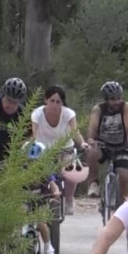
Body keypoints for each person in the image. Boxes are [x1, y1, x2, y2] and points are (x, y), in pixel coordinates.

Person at [31, 86, 87, 214]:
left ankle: (69, 200)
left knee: (71, 170)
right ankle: (40, 198)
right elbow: (34, 133)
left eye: (58, 102)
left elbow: (74, 131)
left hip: (65, 148)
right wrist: (32, 144)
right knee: (39, 171)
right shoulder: (37, 114)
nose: (54, 105)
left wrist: (82, 142)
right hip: (44, 150)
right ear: (46, 100)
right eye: (52, 101)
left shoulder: (68, 114)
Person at [85, 81, 128, 207]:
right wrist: (91, 140)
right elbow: (93, 127)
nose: (116, 102)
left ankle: (124, 206)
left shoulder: (125, 107)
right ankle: (94, 183)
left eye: (118, 98)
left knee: (124, 175)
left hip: (121, 145)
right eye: (112, 99)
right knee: (91, 151)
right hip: (103, 145)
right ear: (106, 99)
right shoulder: (98, 109)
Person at [24, 142, 60, 254]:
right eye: (30, 161)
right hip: (24, 201)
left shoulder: (46, 173)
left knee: (41, 223)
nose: (33, 165)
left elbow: (54, 186)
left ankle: (48, 247)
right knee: (19, 217)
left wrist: (56, 192)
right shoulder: (21, 174)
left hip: (41, 201)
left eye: (36, 161)